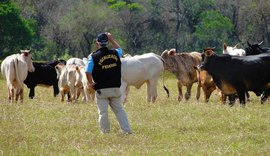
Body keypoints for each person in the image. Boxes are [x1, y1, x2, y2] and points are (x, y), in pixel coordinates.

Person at [85, 32, 132, 134]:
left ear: (97, 43)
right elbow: (120, 49)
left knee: (103, 112)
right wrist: (111, 39)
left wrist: (90, 83)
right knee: (119, 110)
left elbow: (87, 71)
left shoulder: (93, 57)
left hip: (102, 89)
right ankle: (126, 130)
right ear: (107, 43)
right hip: (115, 88)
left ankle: (105, 132)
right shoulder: (115, 53)